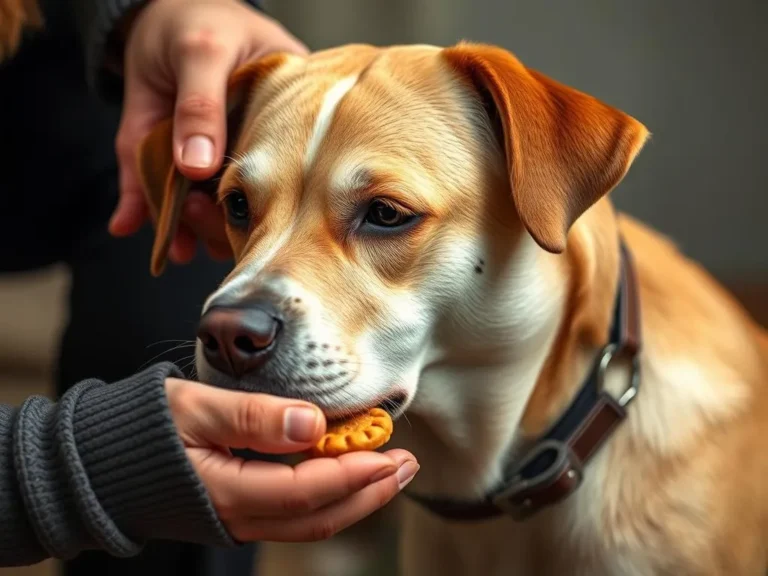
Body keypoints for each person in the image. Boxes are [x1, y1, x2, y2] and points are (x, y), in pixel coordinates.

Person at [0, 0, 420, 573]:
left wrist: (143, 10)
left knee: (161, 326)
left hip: (51, 68)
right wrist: (84, 474)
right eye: (242, 204)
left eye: (386, 214)